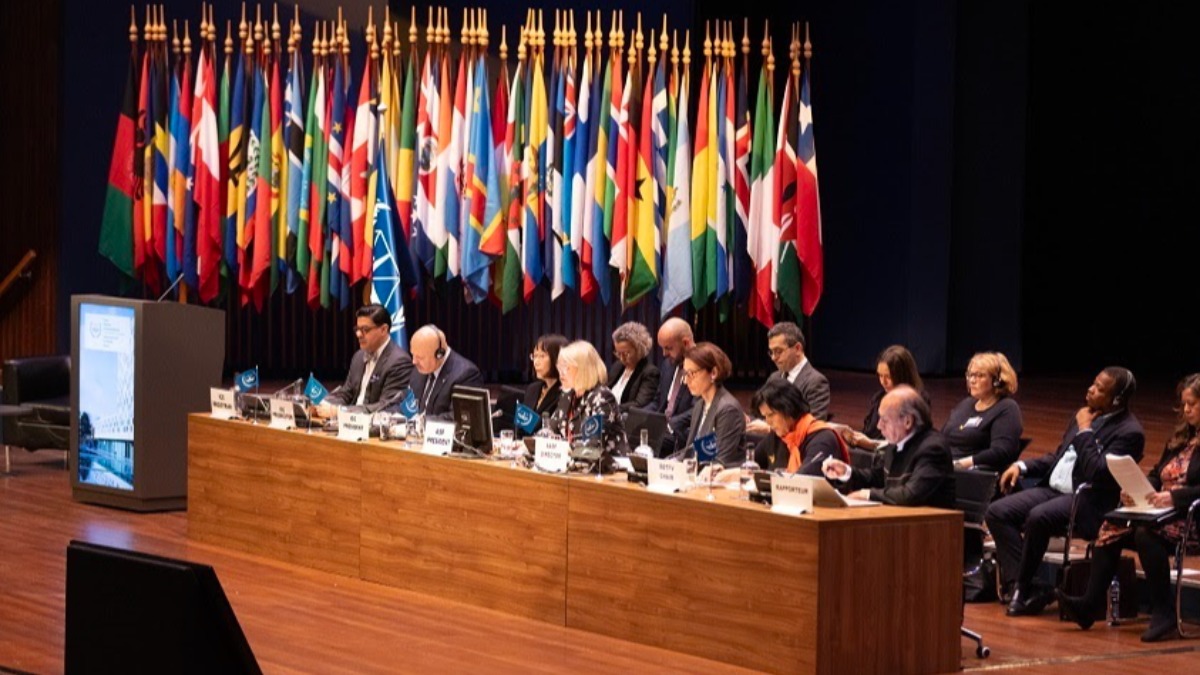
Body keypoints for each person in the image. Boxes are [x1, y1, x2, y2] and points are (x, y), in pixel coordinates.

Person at [986, 367, 1145, 616]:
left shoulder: (1129, 432)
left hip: (1089, 501)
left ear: (1117, 399)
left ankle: (1021, 587)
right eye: (1093, 383)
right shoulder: (1082, 416)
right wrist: (1022, 465)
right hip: (1055, 491)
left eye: (1100, 389)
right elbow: (1060, 457)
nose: (1090, 390)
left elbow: (1097, 472)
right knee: (997, 511)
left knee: (1039, 516)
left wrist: (1085, 431)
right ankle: (1028, 586)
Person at [1059, 373, 1200, 642]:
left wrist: (1175, 498)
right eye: (1184, 404)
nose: (1186, 410)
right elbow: (1159, 472)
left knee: (1146, 534)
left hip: (1191, 519)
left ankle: (1164, 612)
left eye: (1192, 404)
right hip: (1163, 513)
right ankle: (1090, 605)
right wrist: (1139, 487)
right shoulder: (1183, 437)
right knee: (1112, 524)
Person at [821, 385, 955, 508]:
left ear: (907, 421)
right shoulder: (895, 443)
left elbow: (911, 494)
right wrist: (846, 472)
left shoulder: (933, 449)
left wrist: (867, 495)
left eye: (885, 420)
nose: (879, 426)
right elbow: (878, 478)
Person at [316, 304, 414, 416]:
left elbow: (386, 406)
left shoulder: (399, 361)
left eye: (365, 330)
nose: (358, 334)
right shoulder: (358, 356)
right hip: (349, 423)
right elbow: (346, 394)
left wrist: (341, 412)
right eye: (357, 329)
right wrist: (322, 404)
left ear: (383, 329)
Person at [545, 341, 629, 465]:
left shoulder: (603, 398)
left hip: (608, 472)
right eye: (560, 367)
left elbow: (593, 445)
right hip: (574, 467)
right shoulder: (568, 396)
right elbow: (550, 431)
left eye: (567, 367)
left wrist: (560, 449)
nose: (561, 372)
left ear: (583, 369)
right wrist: (534, 443)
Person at [942, 352, 1024, 470]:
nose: (972, 380)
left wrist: (960, 464)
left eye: (979, 375)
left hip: (971, 473)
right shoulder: (966, 404)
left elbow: (1001, 452)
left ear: (997, 380)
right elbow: (943, 436)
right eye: (970, 375)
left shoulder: (1007, 408)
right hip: (945, 466)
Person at [746, 322, 830, 435]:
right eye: (771, 352)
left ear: (798, 349)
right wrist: (748, 420)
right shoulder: (774, 377)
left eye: (778, 351)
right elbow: (759, 414)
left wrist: (769, 429)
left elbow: (813, 427)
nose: (773, 358)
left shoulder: (816, 382)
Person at [752, 379, 848, 475]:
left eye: (771, 415)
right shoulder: (777, 436)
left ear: (788, 408)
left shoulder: (822, 438)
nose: (768, 422)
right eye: (764, 416)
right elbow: (750, 463)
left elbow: (806, 479)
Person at [679, 342, 746, 468]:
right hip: (696, 474)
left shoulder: (727, 409)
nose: (686, 381)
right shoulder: (700, 405)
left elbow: (720, 461)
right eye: (685, 374)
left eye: (692, 374)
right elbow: (690, 453)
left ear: (713, 373)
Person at [399, 325, 484, 421]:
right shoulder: (419, 369)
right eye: (413, 355)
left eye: (420, 357)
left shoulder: (466, 374)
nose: (414, 361)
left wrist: (421, 422)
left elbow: (459, 417)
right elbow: (406, 404)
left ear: (439, 354)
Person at [860, 345, 928, 441]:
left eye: (888, 376)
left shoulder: (917, 403)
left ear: (902, 375)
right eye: (880, 375)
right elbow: (868, 432)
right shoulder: (879, 398)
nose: (883, 382)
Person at [654, 318, 697, 456]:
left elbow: (700, 408)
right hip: (662, 427)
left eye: (669, 348)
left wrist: (671, 423)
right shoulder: (668, 364)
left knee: (651, 442)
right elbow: (659, 401)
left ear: (685, 343)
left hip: (682, 432)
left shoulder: (702, 367)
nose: (664, 354)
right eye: (662, 348)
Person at [606, 321, 660, 411]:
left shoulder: (650, 373)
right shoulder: (617, 366)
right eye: (618, 353)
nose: (622, 358)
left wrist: (611, 410)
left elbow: (640, 404)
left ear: (639, 349)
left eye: (626, 354)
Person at [524, 334, 568, 424]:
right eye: (535, 356)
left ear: (557, 358)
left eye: (542, 356)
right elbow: (521, 425)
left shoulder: (566, 392)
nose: (536, 362)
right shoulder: (532, 389)